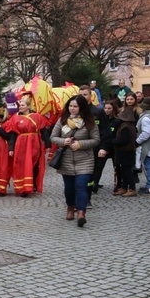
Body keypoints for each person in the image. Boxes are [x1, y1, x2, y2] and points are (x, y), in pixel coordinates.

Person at [50, 95, 100, 227]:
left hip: (84, 160)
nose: (72, 109)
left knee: (81, 186)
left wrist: (80, 144)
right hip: (66, 159)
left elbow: (96, 140)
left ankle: (81, 213)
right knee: (69, 188)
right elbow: (53, 137)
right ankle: (70, 208)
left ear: (81, 107)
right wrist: (63, 141)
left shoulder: (90, 122)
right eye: (70, 106)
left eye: (75, 106)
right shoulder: (62, 121)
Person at [5, 96, 48, 197]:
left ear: (28, 106)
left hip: (34, 143)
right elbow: (13, 135)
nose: (20, 107)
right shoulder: (15, 118)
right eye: (19, 105)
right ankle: (22, 187)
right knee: (20, 165)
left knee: (33, 164)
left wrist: (48, 143)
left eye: (23, 105)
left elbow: (43, 131)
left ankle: (31, 185)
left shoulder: (37, 116)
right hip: (21, 144)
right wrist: (11, 148)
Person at [111, 107, 138, 197]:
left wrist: (112, 141)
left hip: (126, 151)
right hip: (127, 151)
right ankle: (124, 187)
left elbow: (123, 140)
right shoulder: (129, 125)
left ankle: (132, 188)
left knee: (127, 171)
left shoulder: (125, 127)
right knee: (124, 171)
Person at [136, 97, 150, 195]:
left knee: (149, 167)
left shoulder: (147, 117)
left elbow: (146, 133)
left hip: (149, 146)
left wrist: (137, 141)